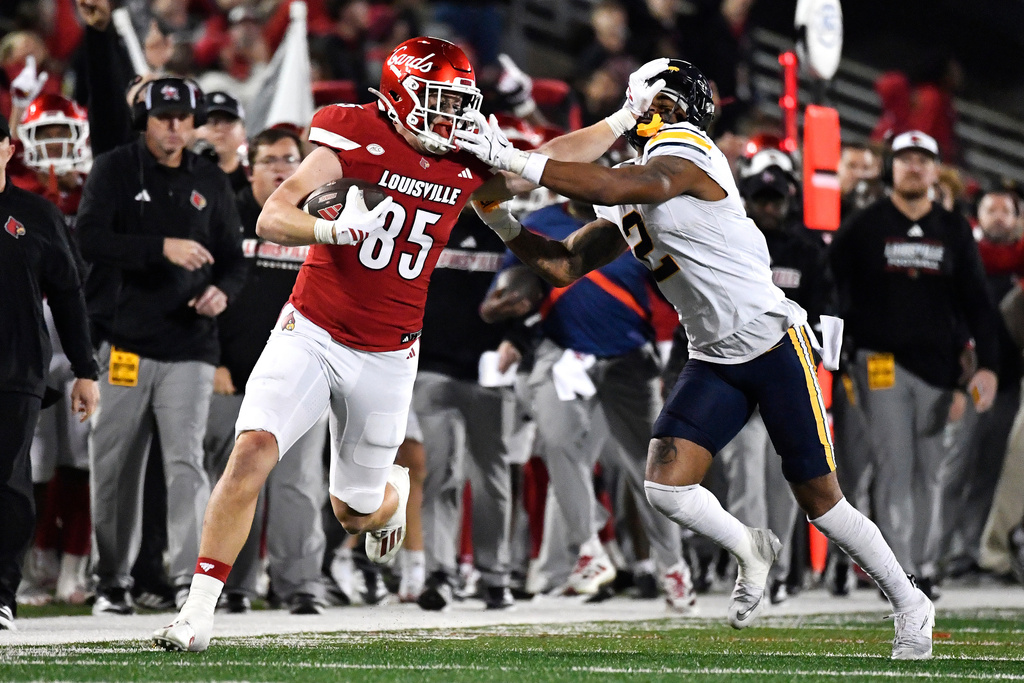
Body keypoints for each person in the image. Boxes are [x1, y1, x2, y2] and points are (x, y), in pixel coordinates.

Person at [153, 36, 651, 652]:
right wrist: (332, 227)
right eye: (438, 99)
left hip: (389, 353)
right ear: (397, 96)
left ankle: (393, 495)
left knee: (354, 513)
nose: (451, 115)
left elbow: (550, 157)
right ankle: (197, 612)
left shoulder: (467, 157)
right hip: (311, 330)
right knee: (252, 450)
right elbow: (272, 216)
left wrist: (626, 119)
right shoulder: (353, 133)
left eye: (458, 101)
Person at [455, 57, 936, 660]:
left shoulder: (689, 151)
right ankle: (749, 547)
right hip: (713, 355)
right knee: (665, 486)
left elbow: (628, 185)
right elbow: (561, 266)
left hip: (770, 341)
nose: (645, 112)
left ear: (672, 104)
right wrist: (501, 221)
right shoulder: (630, 176)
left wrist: (513, 158)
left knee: (820, 499)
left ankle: (910, 601)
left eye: (651, 102)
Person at [77, 76, 248, 615]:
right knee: (113, 465)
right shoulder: (115, 169)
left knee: (185, 464)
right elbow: (89, 238)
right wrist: (161, 248)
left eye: (182, 117)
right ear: (143, 120)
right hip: (124, 341)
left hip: (192, 345)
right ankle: (111, 579)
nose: (174, 126)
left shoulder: (211, 179)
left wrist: (224, 291)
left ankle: (187, 581)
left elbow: (234, 258)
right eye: (163, 116)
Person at [829, 130, 999, 600]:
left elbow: (978, 302)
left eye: (923, 159)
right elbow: (830, 282)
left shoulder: (954, 228)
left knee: (932, 470)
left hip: (941, 369)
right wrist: (838, 354)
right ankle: (900, 569)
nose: (913, 166)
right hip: (879, 362)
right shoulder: (864, 225)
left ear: (934, 169)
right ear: (893, 167)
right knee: (894, 467)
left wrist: (986, 363)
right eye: (904, 158)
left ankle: (925, 564)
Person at [202, 126, 331, 615]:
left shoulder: (323, 217)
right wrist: (212, 359)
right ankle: (233, 584)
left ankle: (299, 584)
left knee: (298, 484)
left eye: (289, 159)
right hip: (233, 372)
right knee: (235, 481)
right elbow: (201, 288)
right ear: (248, 165)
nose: (281, 168)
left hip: (302, 377)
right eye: (270, 159)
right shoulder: (225, 214)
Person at [0, 116, 100, 630]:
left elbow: (67, 294)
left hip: (16, 369)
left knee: (10, 480)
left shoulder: (36, 214)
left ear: (6, 149)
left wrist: (85, 369)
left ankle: (2, 592)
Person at [194, 91, 249, 193]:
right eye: (211, 121)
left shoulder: (253, 178)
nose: (220, 128)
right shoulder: (182, 176)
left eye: (228, 121)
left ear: (243, 131)